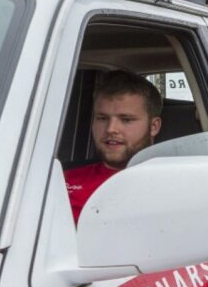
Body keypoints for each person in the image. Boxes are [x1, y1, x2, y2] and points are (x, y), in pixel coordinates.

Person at [64, 70, 162, 224]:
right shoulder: (62, 180)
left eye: (126, 120)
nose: (111, 128)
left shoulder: (169, 182)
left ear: (154, 126)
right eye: (102, 118)